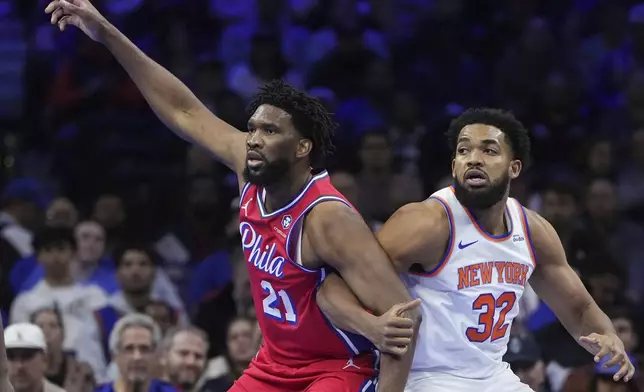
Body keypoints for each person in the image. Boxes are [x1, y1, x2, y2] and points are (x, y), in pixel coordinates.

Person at [44, 2, 421, 392]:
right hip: (274, 362)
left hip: (334, 367)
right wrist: (107, 32)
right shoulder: (249, 167)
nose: (254, 139)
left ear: (302, 147)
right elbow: (183, 110)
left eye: (271, 132)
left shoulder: (328, 218)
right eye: (253, 128)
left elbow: (404, 319)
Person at [316, 108, 636, 391]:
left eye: (489, 150)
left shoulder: (533, 232)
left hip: (493, 375)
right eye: (464, 150)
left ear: (514, 168)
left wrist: (607, 335)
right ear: (454, 164)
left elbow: (579, 309)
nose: (473, 159)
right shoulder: (426, 223)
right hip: (426, 377)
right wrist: (369, 325)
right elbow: (331, 289)